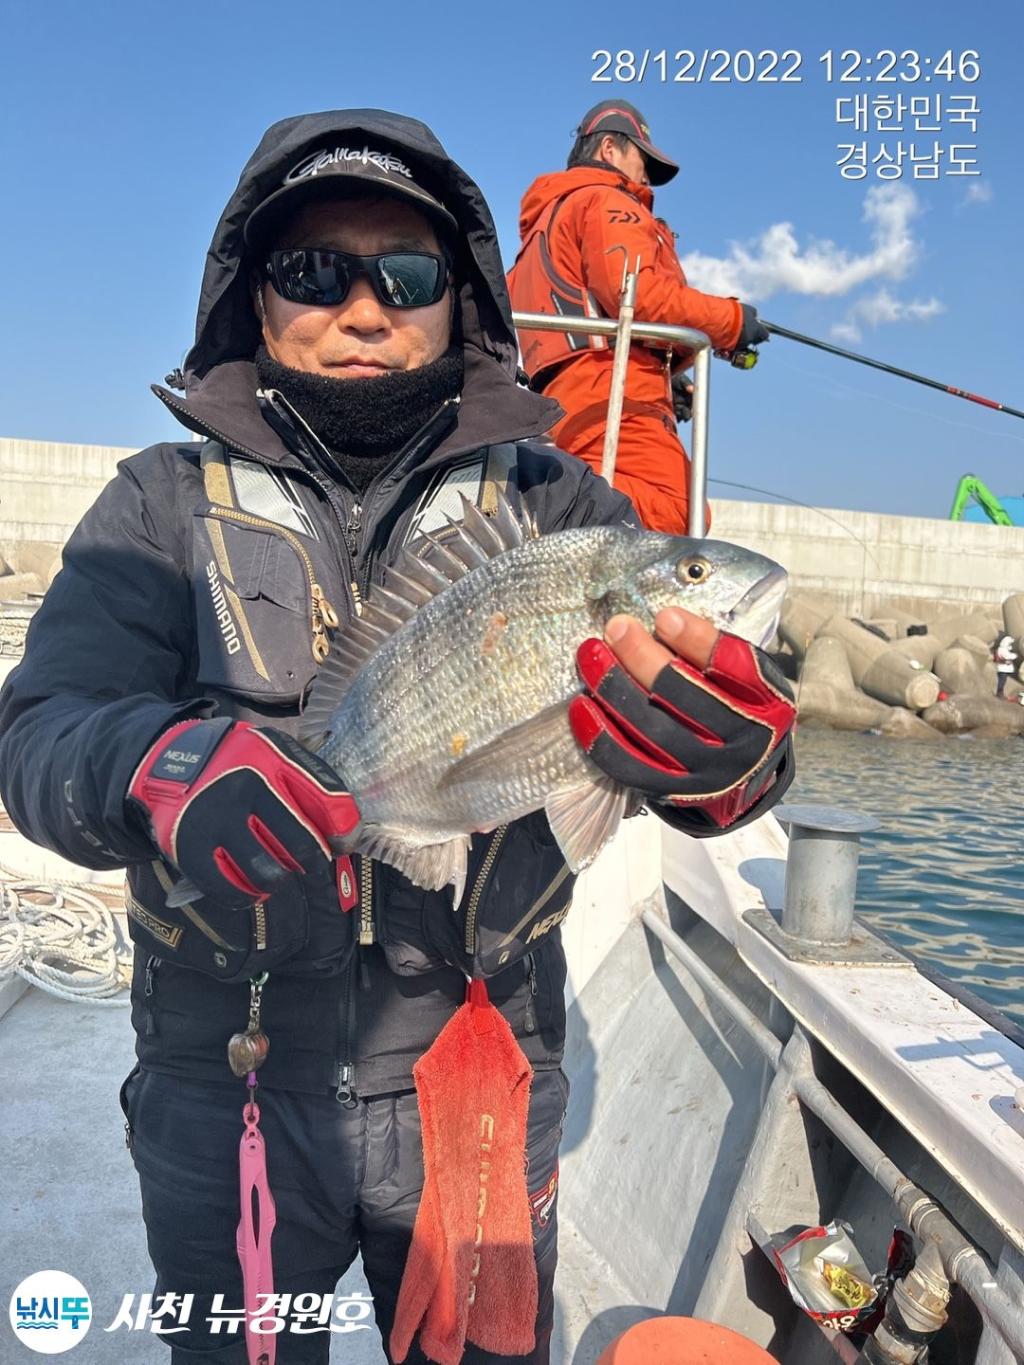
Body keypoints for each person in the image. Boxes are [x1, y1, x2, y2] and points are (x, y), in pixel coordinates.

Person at [0, 109, 795, 1365]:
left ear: (459, 299)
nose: (363, 309)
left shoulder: (563, 507)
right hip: (223, 1078)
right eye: (315, 271)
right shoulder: (157, 504)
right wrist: (157, 767)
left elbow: (721, 739)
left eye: (407, 274)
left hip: (484, 1067)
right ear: (255, 298)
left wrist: (731, 765)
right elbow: (42, 735)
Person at [507, 99, 768, 535]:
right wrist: (732, 321)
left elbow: (591, 317)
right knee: (680, 511)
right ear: (609, 148)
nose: (645, 176)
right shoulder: (604, 200)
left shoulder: (545, 223)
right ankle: (534, 498)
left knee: (615, 519)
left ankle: (545, 498)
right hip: (612, 393)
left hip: (564, 402)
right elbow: (639, 295)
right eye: (642, 160)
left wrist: (672, 376)